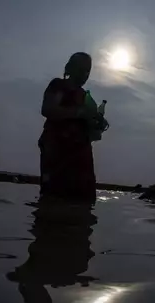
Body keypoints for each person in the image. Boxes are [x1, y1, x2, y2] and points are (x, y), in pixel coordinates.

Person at [38, 52, 100, 203]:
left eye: (88, 71)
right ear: (70, 68)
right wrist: (79, 112)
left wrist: (96, 123)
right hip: (57, 151)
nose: (85, 74)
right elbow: (48, 109)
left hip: (80, 156)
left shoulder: (85, 96)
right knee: (53, 197)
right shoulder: (59, 85)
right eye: (81, 69)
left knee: (84, 201)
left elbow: (90, 129)